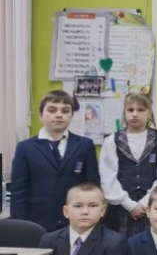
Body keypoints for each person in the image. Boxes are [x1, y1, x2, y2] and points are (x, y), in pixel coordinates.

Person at [10, 90, 100, 231]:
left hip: (75, 222)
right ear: (40, 114)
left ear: (72, 115)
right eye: (52, 110)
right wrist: (19, 226)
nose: (59, 115)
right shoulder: (25, 148)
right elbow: (18, 191)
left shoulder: (85, 145)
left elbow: (92, 186)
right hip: (37, 222)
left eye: (65, 111)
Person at [100, 93, 157, 237]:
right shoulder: (112, 141)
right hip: (121, 208)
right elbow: (108, 178)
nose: (135, 114)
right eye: (130, 110)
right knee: (118, 247)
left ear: (149, 112)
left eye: (140, 110)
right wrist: (129, 204)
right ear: (124, 112)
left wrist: (146, 202)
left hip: (153, 207)